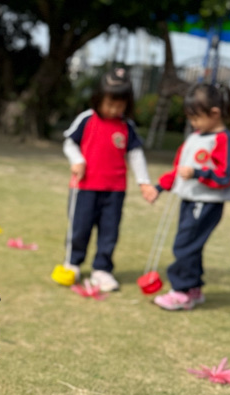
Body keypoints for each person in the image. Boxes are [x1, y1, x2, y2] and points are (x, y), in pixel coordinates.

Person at [62, 70, 158, 291]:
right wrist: (77, 160)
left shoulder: (127, 126)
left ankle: (102, 269)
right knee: (79, 228)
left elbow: (136, 154)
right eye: (109, 104)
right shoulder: (86, 119)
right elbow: (69, 142)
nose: (114, 110)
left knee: (109, 232)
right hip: (84, 187)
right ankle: (72, 263)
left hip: (114, 190)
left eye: (120, 105)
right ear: (98, 99)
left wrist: (144, 182)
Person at [152, 82, 230, 311]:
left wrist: (198, 173)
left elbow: (226, 175)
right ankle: (193, 288)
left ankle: (181, 291)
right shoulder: (195, 137)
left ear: (215, 113)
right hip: (189, 200)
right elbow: (180, 168)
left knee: (185, 245)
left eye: (196, 118)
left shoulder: (223, 140)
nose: (193, 123)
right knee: (192, 245)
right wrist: (159, 187)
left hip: (206, 202)